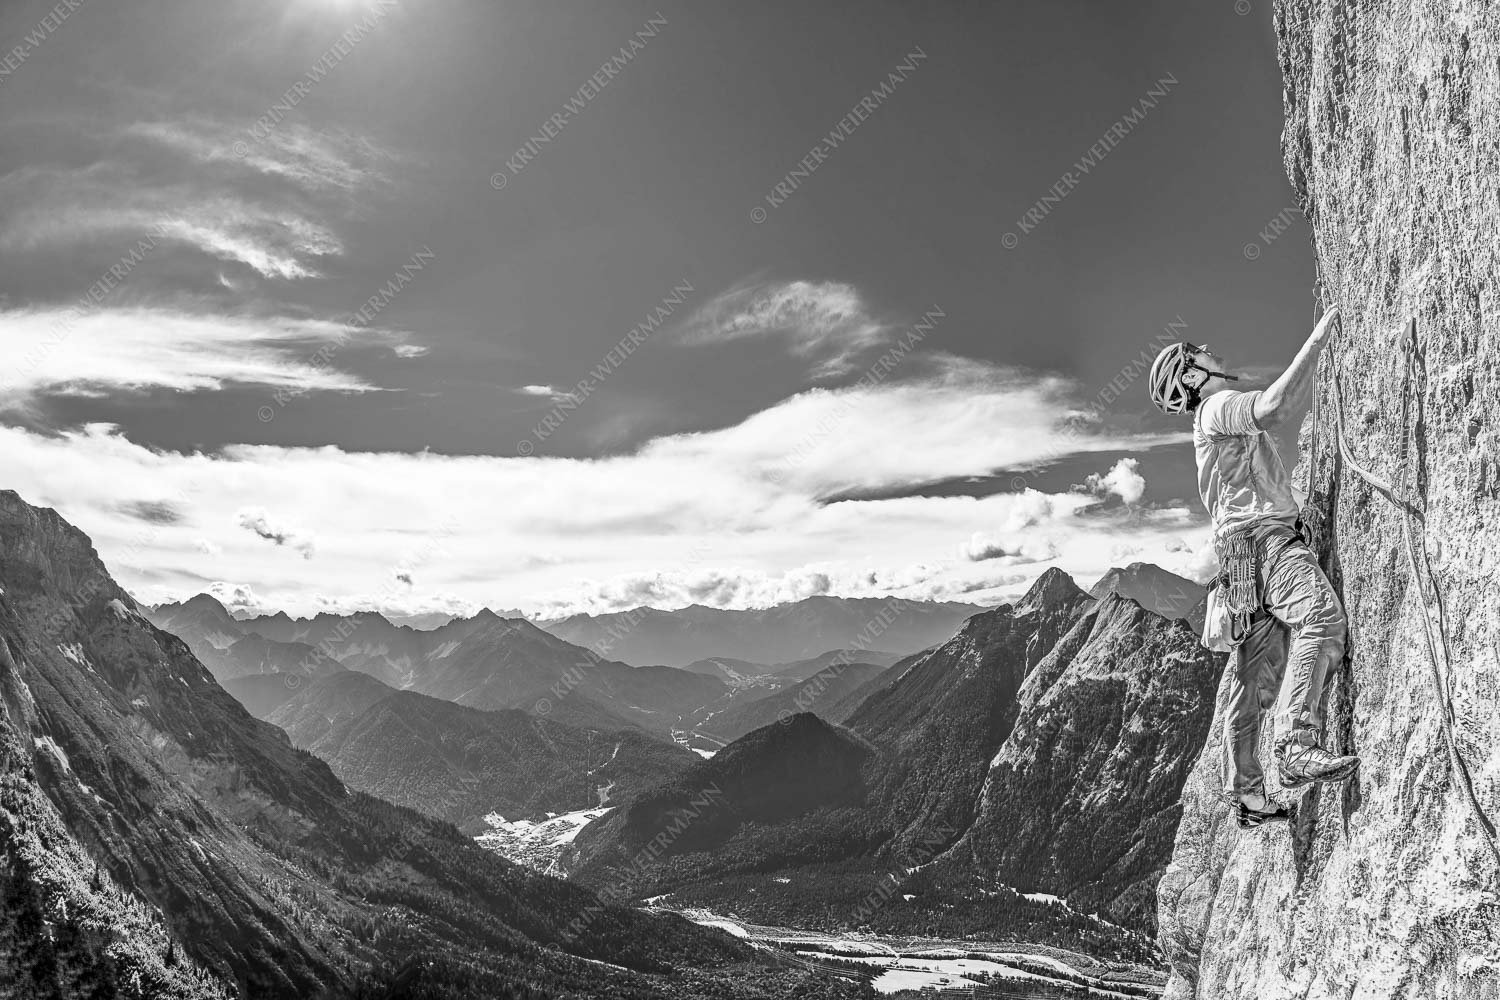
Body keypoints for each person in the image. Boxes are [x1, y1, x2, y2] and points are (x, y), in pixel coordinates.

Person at [1148, 307, 1359, 829]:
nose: (1209, 350)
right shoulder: (1216, 407)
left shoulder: (1204, 424)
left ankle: (1247, 794)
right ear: (1193, 375)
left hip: (1239, 561)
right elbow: (1273, 408)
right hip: (1266, 542)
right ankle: (1295, 742)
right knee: (1320, 620)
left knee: (1253, 680)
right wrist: (1318, 338)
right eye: (1197, 351)